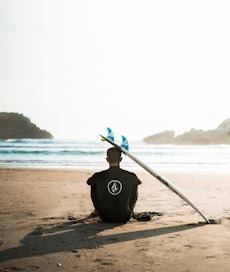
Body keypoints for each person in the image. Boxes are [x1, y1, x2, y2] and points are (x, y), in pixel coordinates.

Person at [87, 147, 141, 223]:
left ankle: (97, 210)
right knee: (134, 183)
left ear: (107, 159)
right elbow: (139, 182)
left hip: (105, 216)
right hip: (125, 216)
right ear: (121, 159)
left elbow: (88, 182)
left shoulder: (99, 175)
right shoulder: (130, 175)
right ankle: (131, 210)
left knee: (94, 183)